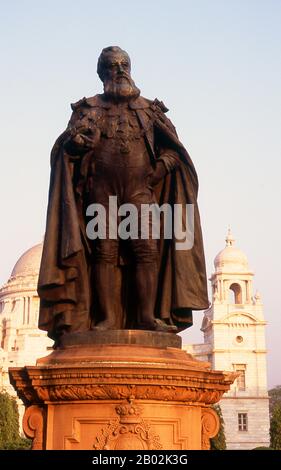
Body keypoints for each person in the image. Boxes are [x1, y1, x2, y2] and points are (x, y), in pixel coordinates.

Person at [38, 46, 209, 342]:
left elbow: (174, 151)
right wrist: (76, 143)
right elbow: (66, 148)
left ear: (130, 69)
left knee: (146, 251)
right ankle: (105, 319)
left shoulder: (149, 110)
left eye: (123, 65)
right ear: (102, 73)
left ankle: (146, 317)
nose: (119, 71)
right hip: (100, 193)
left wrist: (159, 169)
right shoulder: (87, 108)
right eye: (112, 66)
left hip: (140, 192)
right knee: (105, 251)